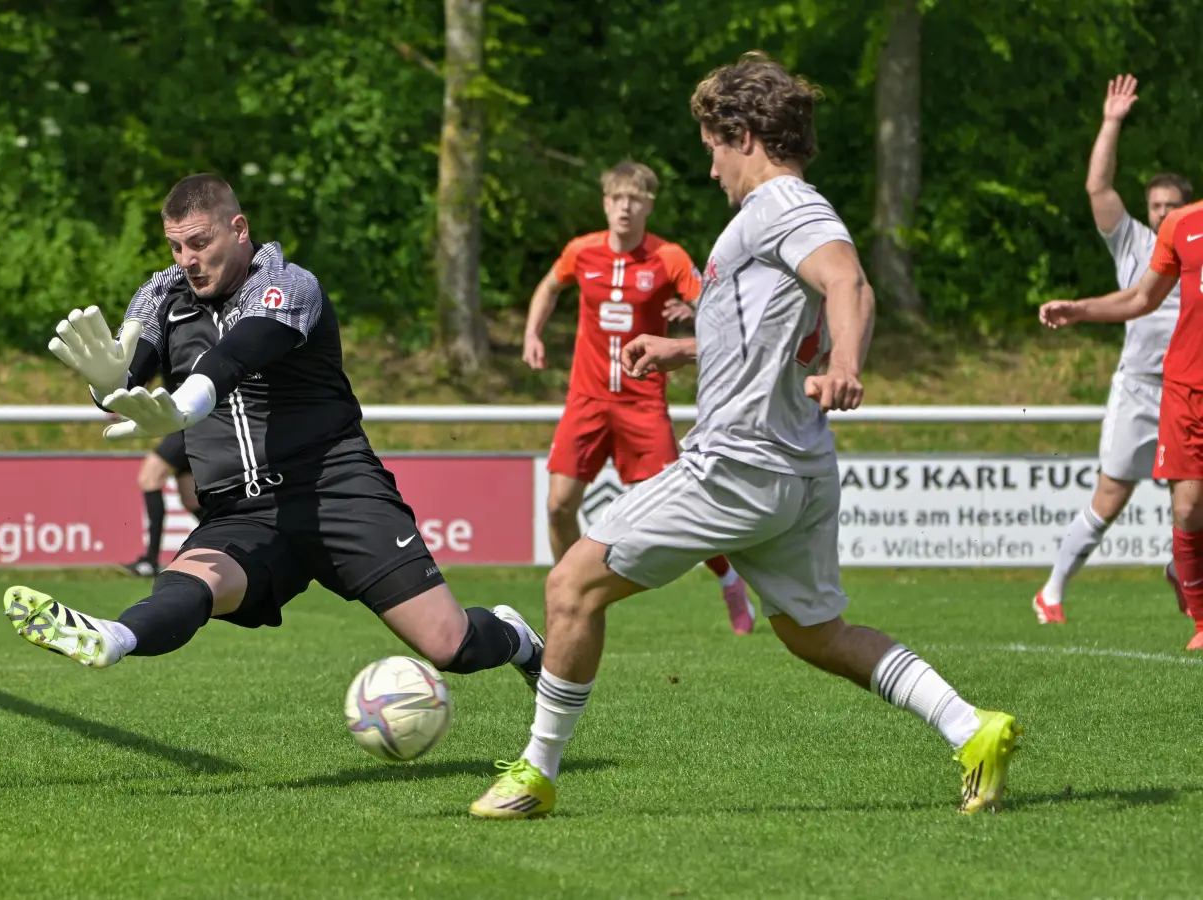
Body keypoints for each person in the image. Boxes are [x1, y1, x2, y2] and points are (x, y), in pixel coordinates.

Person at [470, 52, 1021, 820]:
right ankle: (973, 728)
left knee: (569, 586)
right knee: (817, 636)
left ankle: (535, 774)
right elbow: (774, 329)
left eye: (712, 149)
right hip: (795, 472)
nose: (710, 170)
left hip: (737, 466)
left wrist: (849, 366)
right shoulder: (767, 221)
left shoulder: (783, 205)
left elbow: (846, 279)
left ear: (745, 133)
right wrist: (683, 348)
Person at [2, 174, 546, 688]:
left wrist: (185, 403)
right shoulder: (159, 297)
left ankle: (517, 639)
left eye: (199, 242)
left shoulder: (288, 283)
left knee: (453, 647)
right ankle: (114, 636)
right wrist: (103, 385)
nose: (187, 261)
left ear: (238, 230)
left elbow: (239, 354)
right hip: (242, 512)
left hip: (335, 490)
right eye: (175, 247)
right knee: (191, 582)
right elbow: (121, 382)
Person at [522, 161, 755, 635]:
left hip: (642, 402)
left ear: (649, 205)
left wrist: (689, 309)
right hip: (586, 400)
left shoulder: (667, 257)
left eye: (635, 199)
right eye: (616, 199)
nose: (624, 207)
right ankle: (569, 595)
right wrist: (532, 333)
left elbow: (712, 305)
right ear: (605, 204)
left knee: (685, 506)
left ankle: (728, 577)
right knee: (557, 506)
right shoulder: (581, 251)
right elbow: (549, 287)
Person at [1033, 73, 1188, 625]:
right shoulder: (1136, 244)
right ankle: (1051, 591)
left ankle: (1181, 571)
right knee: (1111, 497)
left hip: (1188, 392)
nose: (1163, 213)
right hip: (1140, 391)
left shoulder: (1195, 246)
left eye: (1172, 205)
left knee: (1191, 506)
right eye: (1155, 205)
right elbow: (1098, 188)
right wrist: (1111, 122)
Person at [1041, 191, 1203, 651]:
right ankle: (1201, 623)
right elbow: (1140, 297)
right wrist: (1081, 309)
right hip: (1187, 390)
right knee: (1188, 509)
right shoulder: (1183, 226)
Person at [118, 429, 203, 578]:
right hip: (192, 426)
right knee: (191, 499)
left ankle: (150, 561)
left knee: (150, 477)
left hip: (188, 427)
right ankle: (233, 544)